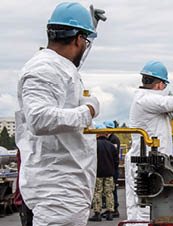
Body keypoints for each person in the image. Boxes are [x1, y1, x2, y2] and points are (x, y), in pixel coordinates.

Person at [15, 2, 102, 225]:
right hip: (56, 192)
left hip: (62, 189)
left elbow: (66, 74)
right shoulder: (44, 69)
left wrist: (90, 25)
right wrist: (87, 111)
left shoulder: (55, 66)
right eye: (85, 41)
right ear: (78, 39)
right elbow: (39, 119)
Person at [125, 58, 173, 223]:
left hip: (152, 161)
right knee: (145, 209)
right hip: (147, 162)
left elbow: (171, 111)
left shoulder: (147, 100)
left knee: (149, 207)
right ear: (160, 84)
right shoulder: (147, 99)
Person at [89, 124, 118, 221]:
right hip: (109, 173)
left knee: (97, 192)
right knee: (109, 193)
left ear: (97, 134)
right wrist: (113, 170)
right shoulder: (111, 146)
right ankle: (110, 213)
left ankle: (97, 213)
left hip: (98, 173)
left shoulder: (94, 145)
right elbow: (116, 161)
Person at [103, 120, 120, 218]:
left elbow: (113, 154)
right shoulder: (109, 139)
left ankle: (115, 209)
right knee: (108, 190)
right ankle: (110, 208)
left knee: (113, 189)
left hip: (113, 169)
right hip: (109, 168)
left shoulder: (114, 139)